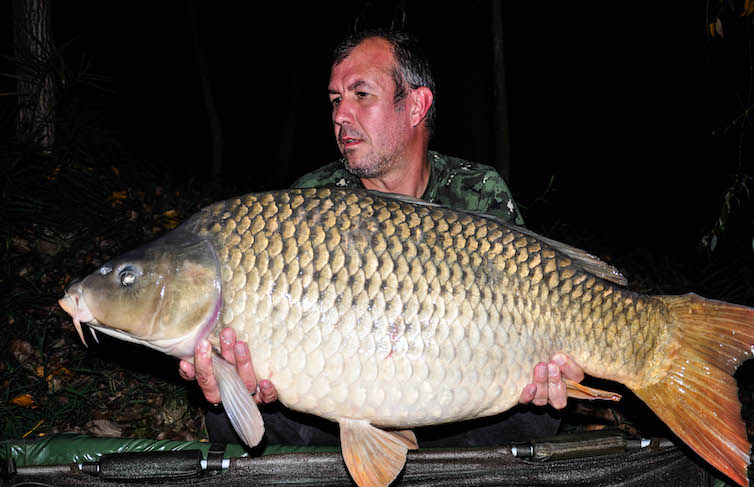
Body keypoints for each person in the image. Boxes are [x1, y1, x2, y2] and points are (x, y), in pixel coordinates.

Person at [179, 28, 585, 446]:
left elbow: (538, 299)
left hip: (454, 398)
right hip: (338, 410)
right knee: (225, 420)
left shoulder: (477, 191)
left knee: (534, 416)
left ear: (415, 105)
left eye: (361, 95)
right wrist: (244, 379)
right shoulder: (311, 202)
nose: (340, 114)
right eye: (336, 99)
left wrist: (549, 371)